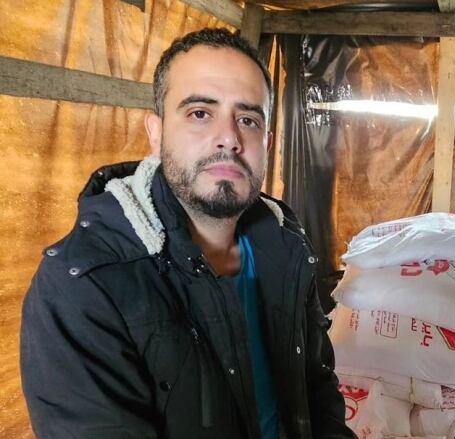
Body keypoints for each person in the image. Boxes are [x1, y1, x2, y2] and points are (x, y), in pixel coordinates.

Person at [21, 28, 355, 439]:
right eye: (200, 113)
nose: (229, 138)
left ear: (266, 142)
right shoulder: (83, 286)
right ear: (155, 133)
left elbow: (317, 390)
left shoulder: (286, 247)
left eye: (247, 119)